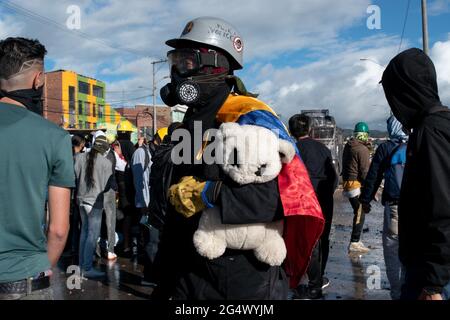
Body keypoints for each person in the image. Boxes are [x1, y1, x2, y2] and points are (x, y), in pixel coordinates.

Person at [151, 17, 323, 300]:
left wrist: (212, 193)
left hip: (240, 278)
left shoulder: (250, 119)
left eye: (186, 62)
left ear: (215, 64)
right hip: (187, 272)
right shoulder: (188, 125)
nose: (177, 71)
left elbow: (280, 199)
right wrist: (165, 276)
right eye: (175, 61)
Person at [0, 37, 75, 299]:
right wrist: (42, 267)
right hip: (24, 279)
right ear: (38, 79)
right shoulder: (55, 137)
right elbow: (58, 229)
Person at [381, 48, 450, 300]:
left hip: (432, 276)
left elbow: (442, 209)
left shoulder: (430, 133)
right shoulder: (440, 126)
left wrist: (433, 285)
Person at [289, 114, 338, 299]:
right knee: (322, 238)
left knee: (305, 240)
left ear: (292, 130)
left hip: (304, 199)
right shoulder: (323, 148)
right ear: (309, 128)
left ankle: (308, 280)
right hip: (325, 198)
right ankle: (318, 277)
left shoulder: (293, 149)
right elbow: (333, 177)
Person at [359, 115, 408, 300]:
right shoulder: (420, 143)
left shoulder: (386, 147)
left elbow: (374, 176)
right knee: (411, 249)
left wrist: (366, 200)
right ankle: (409, 288)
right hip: (418, 207)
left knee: (392, 248)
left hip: (394, 205)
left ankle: (397, 292)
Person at [74, 135, 113, 279]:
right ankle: (87, 268)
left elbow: (75, 176)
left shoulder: (79, 158)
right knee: (92, 235)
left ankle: (81, 266)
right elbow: (108, 184)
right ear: (104, 149)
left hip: (81, 200)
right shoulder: (106, 162)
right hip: (95, 202)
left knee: (84, 233)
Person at [341, 122, 371, 253]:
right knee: (360, 212)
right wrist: (370, 188)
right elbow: (364, 172)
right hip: (355, 184)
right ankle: (354, 242)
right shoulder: (362, 150)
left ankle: (356, 240)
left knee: (358, 211)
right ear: (365, 135)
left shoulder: (349, 146)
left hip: (347, 182)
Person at [115, 121, 137, 257]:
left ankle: (120, 242)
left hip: (116, 183)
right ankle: (127, 245)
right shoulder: (129, 145)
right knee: (129, 214)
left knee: (119, 215)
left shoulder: (114, 145)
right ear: (128, 133)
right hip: (128, 183)